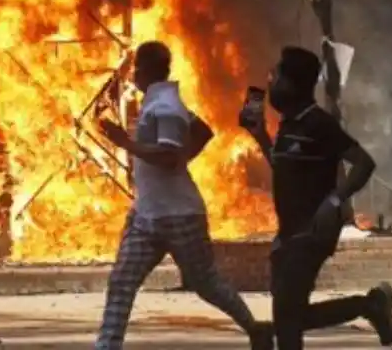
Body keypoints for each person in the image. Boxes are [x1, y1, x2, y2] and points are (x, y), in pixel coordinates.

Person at [96, 40, 273, 350]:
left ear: (147, 70)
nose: (132, 74)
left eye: (136, 67)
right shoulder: (162, 101)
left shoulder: (165, 108)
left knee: (206, 283)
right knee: (122, 282)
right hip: (147, 214)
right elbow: (202, 131)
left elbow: (167, 155)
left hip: (179, 216)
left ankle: (255, 328)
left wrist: (126, 143)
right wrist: (182, 160)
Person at [240, 46, 392, 349]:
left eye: (277, 77)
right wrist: (260, 136)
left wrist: (336, 201)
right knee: (290, 316)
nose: (270, 83)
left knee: (287, 321)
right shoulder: (288, 124)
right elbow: (286, 168)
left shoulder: (318, 124)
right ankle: (370, 306)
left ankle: (369, 306)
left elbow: (364, 162)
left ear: (294, 84)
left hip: (312, 231)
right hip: (290, 231)